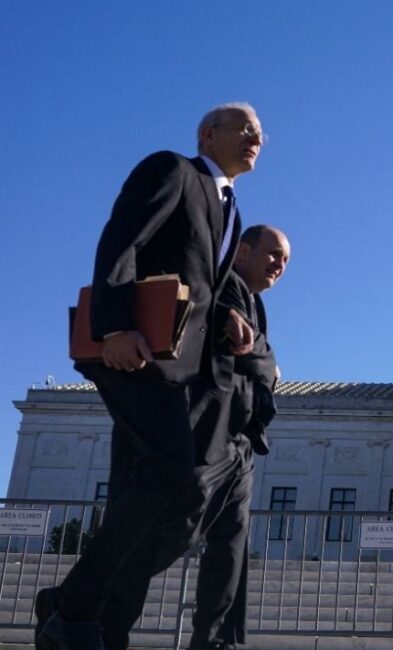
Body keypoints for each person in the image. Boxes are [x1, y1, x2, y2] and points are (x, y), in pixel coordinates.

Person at [36, 103, 265, 650]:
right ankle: (70, 605)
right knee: (169, 470)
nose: (256, 138)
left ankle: (82, 616)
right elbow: (122, 240)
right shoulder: (173, 170)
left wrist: (225, 314)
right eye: (245, 128)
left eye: (261, 133)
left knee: (151, 483)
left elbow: (193, 277)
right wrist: (113, 327)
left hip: (182, 366)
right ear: (208, 134)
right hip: (136, 353)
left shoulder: (229, 205)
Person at [96, 224, 289, 650]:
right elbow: (245, 353)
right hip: (204, 428)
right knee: (175, 526)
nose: (280, 264)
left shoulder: (253, 301)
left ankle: (217, 640)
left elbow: (250, 353)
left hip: (240, 438)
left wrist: (260, 359)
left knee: (231, 543)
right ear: (240, 250)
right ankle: (92, 607)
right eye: (273, 253)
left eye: (286, 260)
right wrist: (268, 361)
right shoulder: (223, 287)